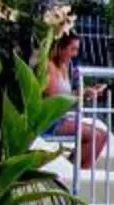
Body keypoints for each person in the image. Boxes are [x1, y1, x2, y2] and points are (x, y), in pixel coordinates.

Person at [43, 34, 109, 166]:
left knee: (102, 136)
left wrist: (86, 92)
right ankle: (76, 172)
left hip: (61, 118)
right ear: (60, 48)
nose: (75, 54)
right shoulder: (49, 66)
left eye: (76, 49)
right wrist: (82, 94)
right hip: (49, 121)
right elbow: (55, 98)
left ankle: (74, 170)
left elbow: (67, 94)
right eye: (72, 49)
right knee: (95, 136)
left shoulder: (64, 66)